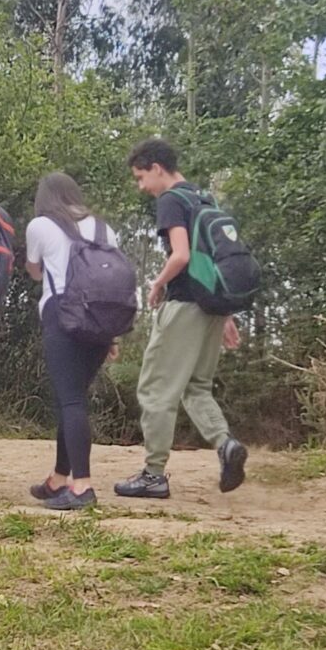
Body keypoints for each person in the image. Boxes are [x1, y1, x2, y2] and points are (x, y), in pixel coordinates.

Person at [117, 139, 247, 499]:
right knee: (196, 387)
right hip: (212, 307)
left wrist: (158, 283)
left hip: (185, 307)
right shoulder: (204, 199)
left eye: (141, 177)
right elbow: (217, 260)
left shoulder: (171, 200)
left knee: (156, 389)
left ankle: (153, 475)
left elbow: (182, 256)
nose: (142, 186)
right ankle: (226, 444)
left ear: (157, 168)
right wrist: (225, 314)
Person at [25, 174, 121, 511]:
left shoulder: (40, 225)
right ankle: (58, 478)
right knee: (72, 398)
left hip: (63, 314)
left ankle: (82, 487)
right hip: (101, 318)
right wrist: (111, 334)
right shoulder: (105, 229)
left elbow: (34, 270)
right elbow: (111, 280)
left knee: (70, 400)